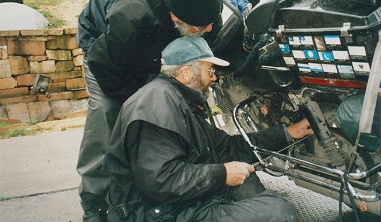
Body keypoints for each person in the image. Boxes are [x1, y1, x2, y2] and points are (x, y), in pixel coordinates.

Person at [102, 37, 314, 221]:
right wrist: (222, 174)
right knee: (277, 212)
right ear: (186, 72)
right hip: (155, 213)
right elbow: (161, 182)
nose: (214, 77)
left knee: (246, 180)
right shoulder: (156, 107)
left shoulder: (177, 100)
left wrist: (288, 133)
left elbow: (227, 147)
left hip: (174, 201)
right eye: (210, 70)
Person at [75, 0, 223, 221]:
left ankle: (179, 181)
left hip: (152, 45)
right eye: (202, 25)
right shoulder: (131, 19)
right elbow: (110, 72)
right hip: (105, 53)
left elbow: (214, 37)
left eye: (211, 22)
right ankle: (95, 206)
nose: (209, 29)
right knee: (110, 117)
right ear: (175, 16)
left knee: (175, 102)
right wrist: (141, 113)